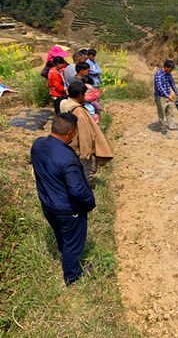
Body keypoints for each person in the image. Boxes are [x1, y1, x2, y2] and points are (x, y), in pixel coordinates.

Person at [31, 113, 96, 285]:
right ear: (69, 132)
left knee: (61, 235)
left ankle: (64, 255)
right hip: (68, 210)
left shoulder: (38, 145)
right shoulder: (67, 158)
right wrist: (90, 202)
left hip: (47, 204)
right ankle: (72, 277)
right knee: (73, 244)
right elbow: (77, 189)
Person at [60, 81, 113, 183]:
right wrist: (87, 152)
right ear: (80, 94)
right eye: (84, 94)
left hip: (69, 145)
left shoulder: (64, 103)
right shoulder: (78, 111)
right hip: (80, 148)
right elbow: (84, 133)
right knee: (85, 171)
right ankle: (85, 191)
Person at [154, 60, 178, 131]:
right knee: (162, 113)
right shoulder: (158, 75)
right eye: (170, 69)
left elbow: (172, 83)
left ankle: (171, 125)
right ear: (166, 67)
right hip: (160, 97)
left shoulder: (169, 74)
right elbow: (159, 87)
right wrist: (167, 96)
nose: (171, 71)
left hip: (168, 95)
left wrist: (176, 92)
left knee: (170, 111)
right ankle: (162, 127)